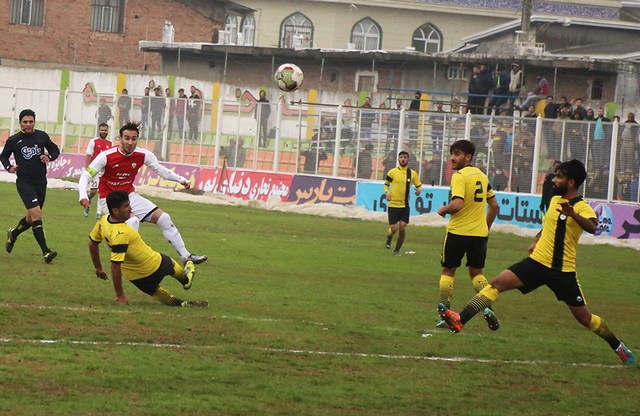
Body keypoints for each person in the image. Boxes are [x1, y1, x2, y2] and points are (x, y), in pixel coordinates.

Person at [437, 159, 636, 366]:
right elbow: (548, 226)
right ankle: (461, 320)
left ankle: (617, 345)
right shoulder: (555, 201)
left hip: (562, 272)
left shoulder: (581, 206)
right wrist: (536, 240)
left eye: (559, 177)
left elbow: (593, 227)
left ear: (571, 182)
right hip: (536, 263)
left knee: (585, 319)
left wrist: (573, 214)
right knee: (496, 283)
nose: (553, 180)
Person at [78, 122, 208, 265]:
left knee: (164, 218)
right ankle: (131, 259)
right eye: (126, 138)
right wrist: (83, 196)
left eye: (134, 139)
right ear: (120, 138)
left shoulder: (143, 154)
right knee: (133, 221)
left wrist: (180, 179)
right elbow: (86, 175)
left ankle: (186, 257)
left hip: (128, 196)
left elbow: (161, 170)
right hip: (109, 200)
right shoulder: (106, 156)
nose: (130, 142)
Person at [88, 190, 208, 308]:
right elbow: (115, 266)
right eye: (126, 206)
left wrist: (98, 268)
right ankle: (186, 280)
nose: (131, 209)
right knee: (174, 268)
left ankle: (181, 304)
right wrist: (120, 296)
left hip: (136, 277)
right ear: (115, 210)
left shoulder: (103, 222)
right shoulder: (122, 233)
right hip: (155, 263)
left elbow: (92, 244)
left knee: (159, 294)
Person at [435, 139, 499, 328]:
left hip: (458, 232)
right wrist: (484, 227)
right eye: (452, 154)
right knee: (476, 273)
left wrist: (444, 209)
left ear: (468, 157)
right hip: (479, 235)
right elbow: (494, 206)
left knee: (448, 271)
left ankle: (445, 315)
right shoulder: (482, 176)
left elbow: (457, 204)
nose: (452, 158)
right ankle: (487, 308)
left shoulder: (459, 176)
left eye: (457, 154)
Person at [1, 109, 60, 263]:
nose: (28, 124)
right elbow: (4, 156)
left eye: (30, 121)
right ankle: (46, 252)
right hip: (24, 183)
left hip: (41, 182)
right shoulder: (14, 140)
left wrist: (49, 156)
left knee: (31, 217)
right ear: (20, 122)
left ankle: (13, 234)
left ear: (34, 121)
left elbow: (55, 150)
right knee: (37, 215)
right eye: (25, 122)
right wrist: (9, 167)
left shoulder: (42, 136)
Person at [383, 150, 422, 256]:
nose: (403, 159)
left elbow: (419, 186)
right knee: (394, 228)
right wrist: (387, 192)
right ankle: (389, 237)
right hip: (393, 205)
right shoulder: (392, 172)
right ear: (398, 159)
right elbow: (386, 184)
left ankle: (397, 250)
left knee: (403, 228)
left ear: (408, 159)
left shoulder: (412, 173)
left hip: (405, 205)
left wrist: (419, 191)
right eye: (401, 157)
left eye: (405, 157)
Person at [84, 123, 114, 218]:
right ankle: (88, 201)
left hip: (105, 172)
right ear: (99, 131)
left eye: (105, 130)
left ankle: (99, 213)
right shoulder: (93, 142)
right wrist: (88, 168)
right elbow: (88, 155)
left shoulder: (110, 143)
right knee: (93, 191)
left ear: (107, 131)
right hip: (94, 171)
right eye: (102, 130)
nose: (103, 132)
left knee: (102, 192)